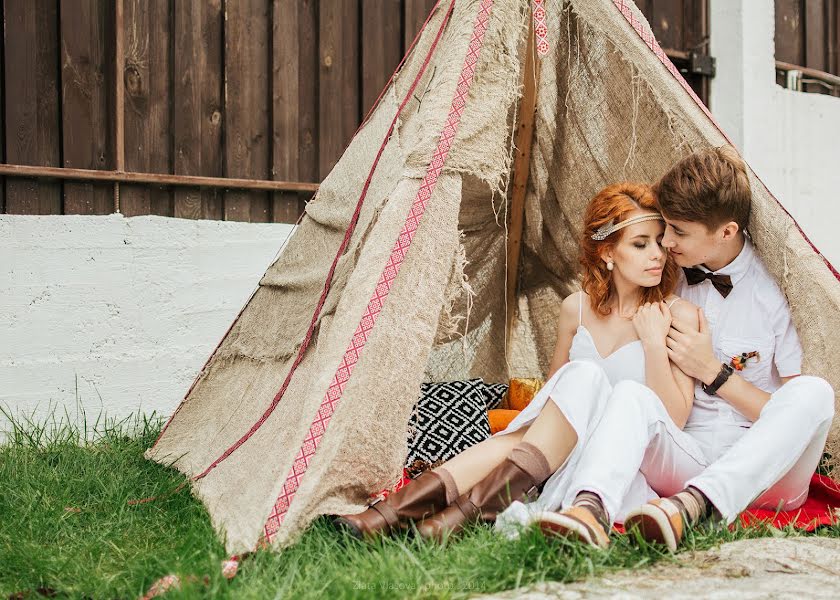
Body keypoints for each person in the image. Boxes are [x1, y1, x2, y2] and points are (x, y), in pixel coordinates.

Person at [334, 182, 700, 545]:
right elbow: (557, 397)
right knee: (575, 385)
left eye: (659, 241)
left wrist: (653, 344)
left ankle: (406, 514)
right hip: (554, 450)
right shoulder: (576, 309)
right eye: (640, 244)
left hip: (619, 462)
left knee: (535, 425)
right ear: (607, 253)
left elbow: (675, 418)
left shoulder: (676, 315)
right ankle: (413, 516)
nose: (657, 254)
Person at [542, 146, 835, 551]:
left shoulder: (775, 293)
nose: (664, 242)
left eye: (678, 232)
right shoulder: (663, 277)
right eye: (665, 228)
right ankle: (589, 509)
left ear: (727, 232)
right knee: (631, 395)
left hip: (766, 473)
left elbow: (788, 418)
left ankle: (698, 504)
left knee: (814, 393)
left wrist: (714, 373)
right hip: (686, 454)